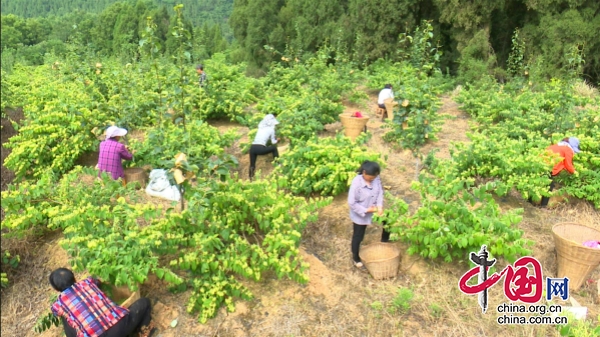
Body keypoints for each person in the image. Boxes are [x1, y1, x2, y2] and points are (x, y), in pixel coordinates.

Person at [49, 268, 155, 337]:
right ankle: (143, 332)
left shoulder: (59, 304)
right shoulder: (88, 282)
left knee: (66, 317)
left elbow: (56, 311)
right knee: (144, 303)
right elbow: (98, 281)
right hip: (120, 328)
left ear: (56, 289)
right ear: (74, 278)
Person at [348, 161, 390, 268]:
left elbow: (380, 191)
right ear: (364, 172)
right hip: (361, 213)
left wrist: (379, 206)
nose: (372, 180)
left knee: (388, 220)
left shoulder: (376, 178)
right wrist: (366, 210)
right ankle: (356, 258)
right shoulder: (356, 184)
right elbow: (352, 203)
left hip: (374, 209)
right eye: (370, 178)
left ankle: (385, 241)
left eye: (374, 178)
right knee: (358, 236)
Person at [536, 137, 580, 207]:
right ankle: (543, 206)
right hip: (550, 167)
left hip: (540, 165)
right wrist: (574, 172)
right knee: (549, 186)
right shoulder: (568, 149)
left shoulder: (555, 145)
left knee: (537, 183)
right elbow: (568, 164)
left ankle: (530, 201)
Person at [249, 114, 280, 179]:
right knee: (274, 148)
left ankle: (250, 178)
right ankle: (277, 163)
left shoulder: (261, 128)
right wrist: (277, 140)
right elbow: (273, 142)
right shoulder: (271, 130)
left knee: (252, 165)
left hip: (252, 148)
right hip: (260, 148)